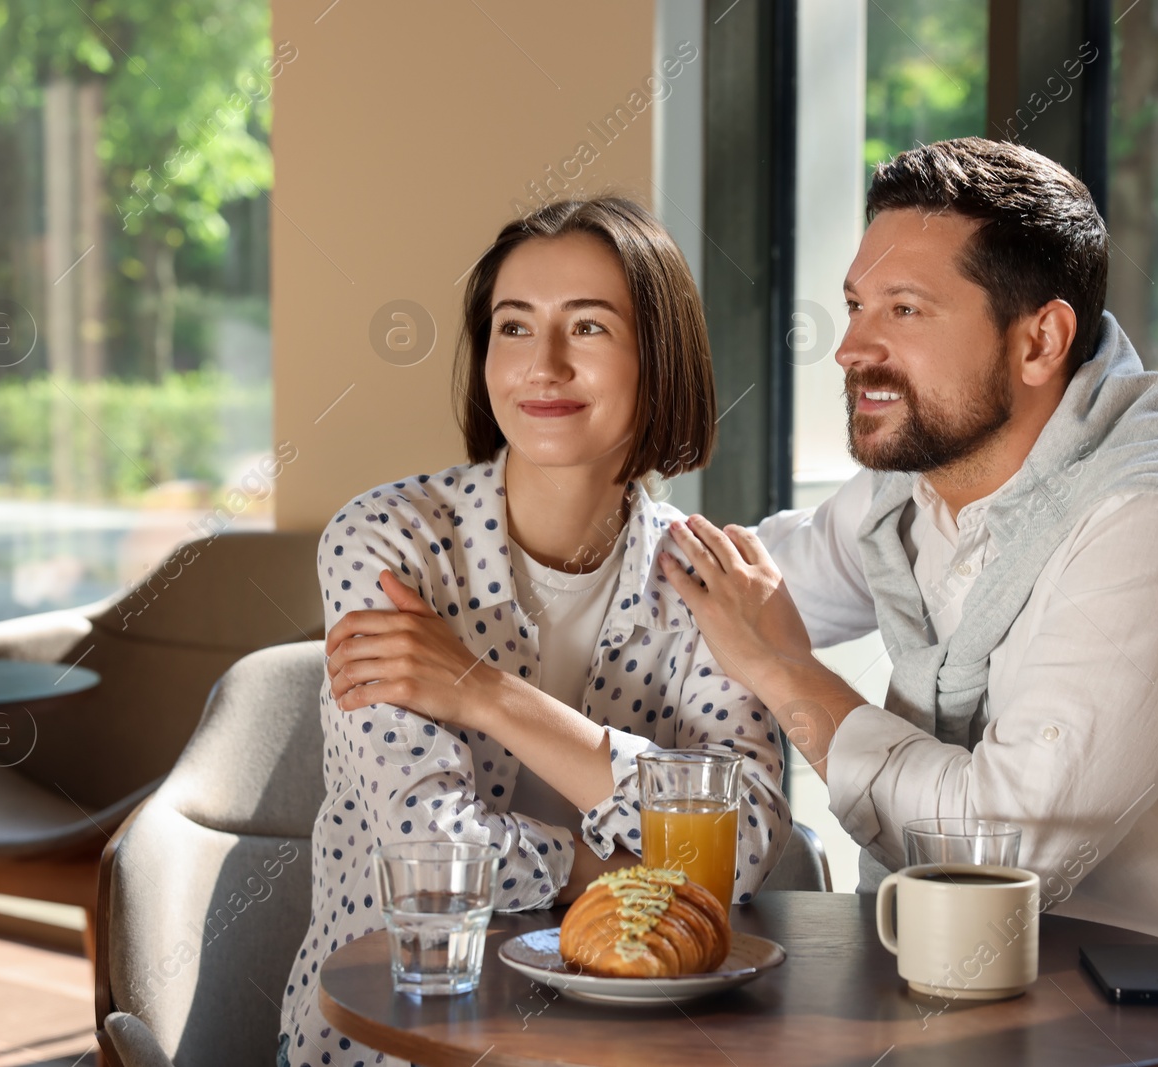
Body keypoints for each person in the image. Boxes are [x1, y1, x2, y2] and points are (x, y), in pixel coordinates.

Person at [660, 137, 1158, 1064]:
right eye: (856, 305)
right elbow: (729, 584)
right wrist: (506, 536)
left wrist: (785, 674)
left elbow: (999, 848)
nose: (851, 347)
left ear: (1040, 339)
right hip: (1034, 1013)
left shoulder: (1156, 525)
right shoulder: (923, 489)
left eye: (905, 309)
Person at [278, 196, 791, 1067]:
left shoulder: (710, 577)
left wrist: (483, 691)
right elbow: (435, 855)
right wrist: (645, 869)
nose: (542, 365)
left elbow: (738, 853)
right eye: (513, 328)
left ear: (659, 358)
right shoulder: (387, 544)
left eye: (587, 328)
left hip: (629, 1044)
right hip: (401, 1036)